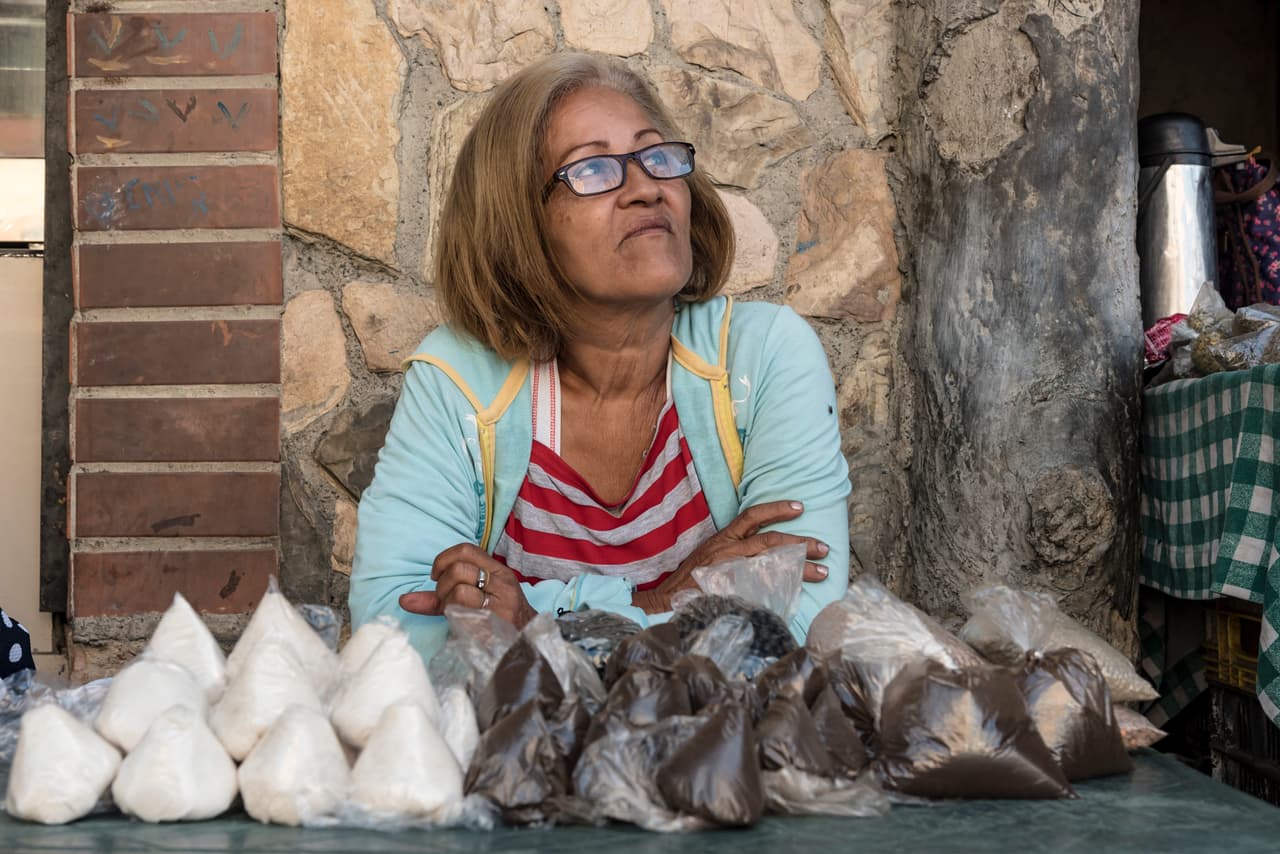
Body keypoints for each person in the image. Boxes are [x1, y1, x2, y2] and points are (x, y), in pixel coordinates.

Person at [351, 52, 850, 663]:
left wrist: (537, 626)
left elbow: (797, 628)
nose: (645, 189)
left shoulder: (765, 355)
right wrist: (670, 600)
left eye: (656, 156)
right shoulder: (461, 379)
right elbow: (395, 628)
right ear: (518, 223)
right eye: (591, 170)